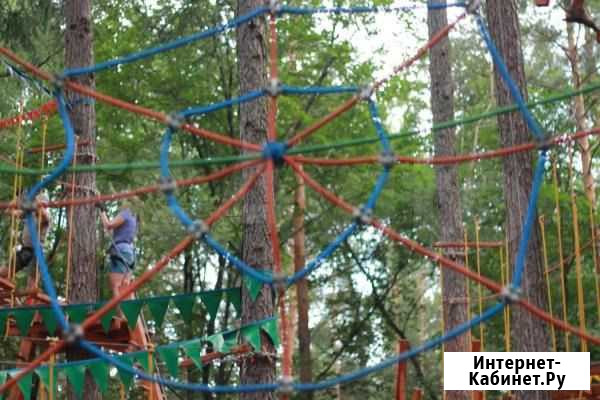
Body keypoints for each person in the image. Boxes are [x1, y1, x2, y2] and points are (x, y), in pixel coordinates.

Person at [0, 192, 51, 290]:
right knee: (3, 273)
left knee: (31, 288)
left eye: (43, 204)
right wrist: (18, 198)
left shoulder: (46, 216)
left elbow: (42, 215)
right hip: (26, 250)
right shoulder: (29, 214)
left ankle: (30, 299)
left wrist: (33, 202)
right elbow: (9, 211)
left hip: (38, 253)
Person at [97, 199, 137, 298]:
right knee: (126, 287)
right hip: (129, 252)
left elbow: (108, 225)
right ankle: (131, 313)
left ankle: (121, 314)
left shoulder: (126, 214)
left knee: (116, 286)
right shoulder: (133, 218)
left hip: (121, 251)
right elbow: (113, 232)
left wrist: (102, 211)